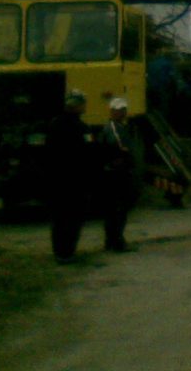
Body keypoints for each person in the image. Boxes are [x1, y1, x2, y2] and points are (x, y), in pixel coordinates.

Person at [46, 89, 97, 263]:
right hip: (77, 180)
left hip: (57, 179)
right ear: (78, 106)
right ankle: (68, 251)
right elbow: (89, 153)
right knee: (75, 216)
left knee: (59, 217)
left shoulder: (53, 125)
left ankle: (60, 252)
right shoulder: (81, 128)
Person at [100, 97, 141, 253]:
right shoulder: (112, 128)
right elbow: (117, 146)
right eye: (118, 111)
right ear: (112, 112)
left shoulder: (123, 127)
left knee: (117, 209)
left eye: (123, 110)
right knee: (117, 209)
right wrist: (121, 157)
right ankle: (116, 241)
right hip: (116, 173)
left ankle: (113, 240)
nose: (121, 113)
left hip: (121, 171)